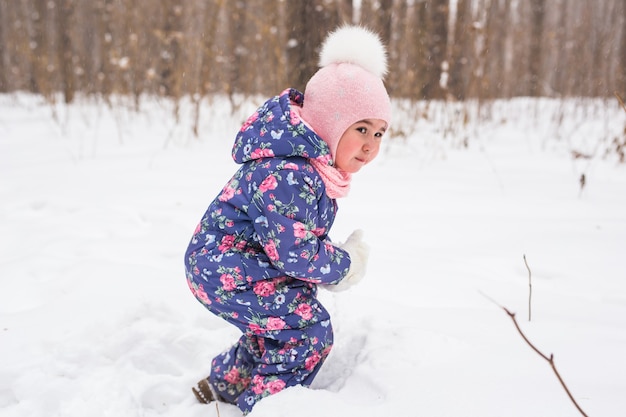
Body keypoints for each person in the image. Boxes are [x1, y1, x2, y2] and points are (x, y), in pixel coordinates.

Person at [184, 24, 392, 415]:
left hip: (241, 263)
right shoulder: (290, 173)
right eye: (360, 129)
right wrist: (345, 265)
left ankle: (224, 385)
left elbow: (292, 240)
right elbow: (293, 252)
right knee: (308, 332)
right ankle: (264, 407)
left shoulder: (312, 168)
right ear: (329, 124)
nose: (370, 145)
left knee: (282, 320)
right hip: (224, 266)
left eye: (380, 133)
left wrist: (330, 258)